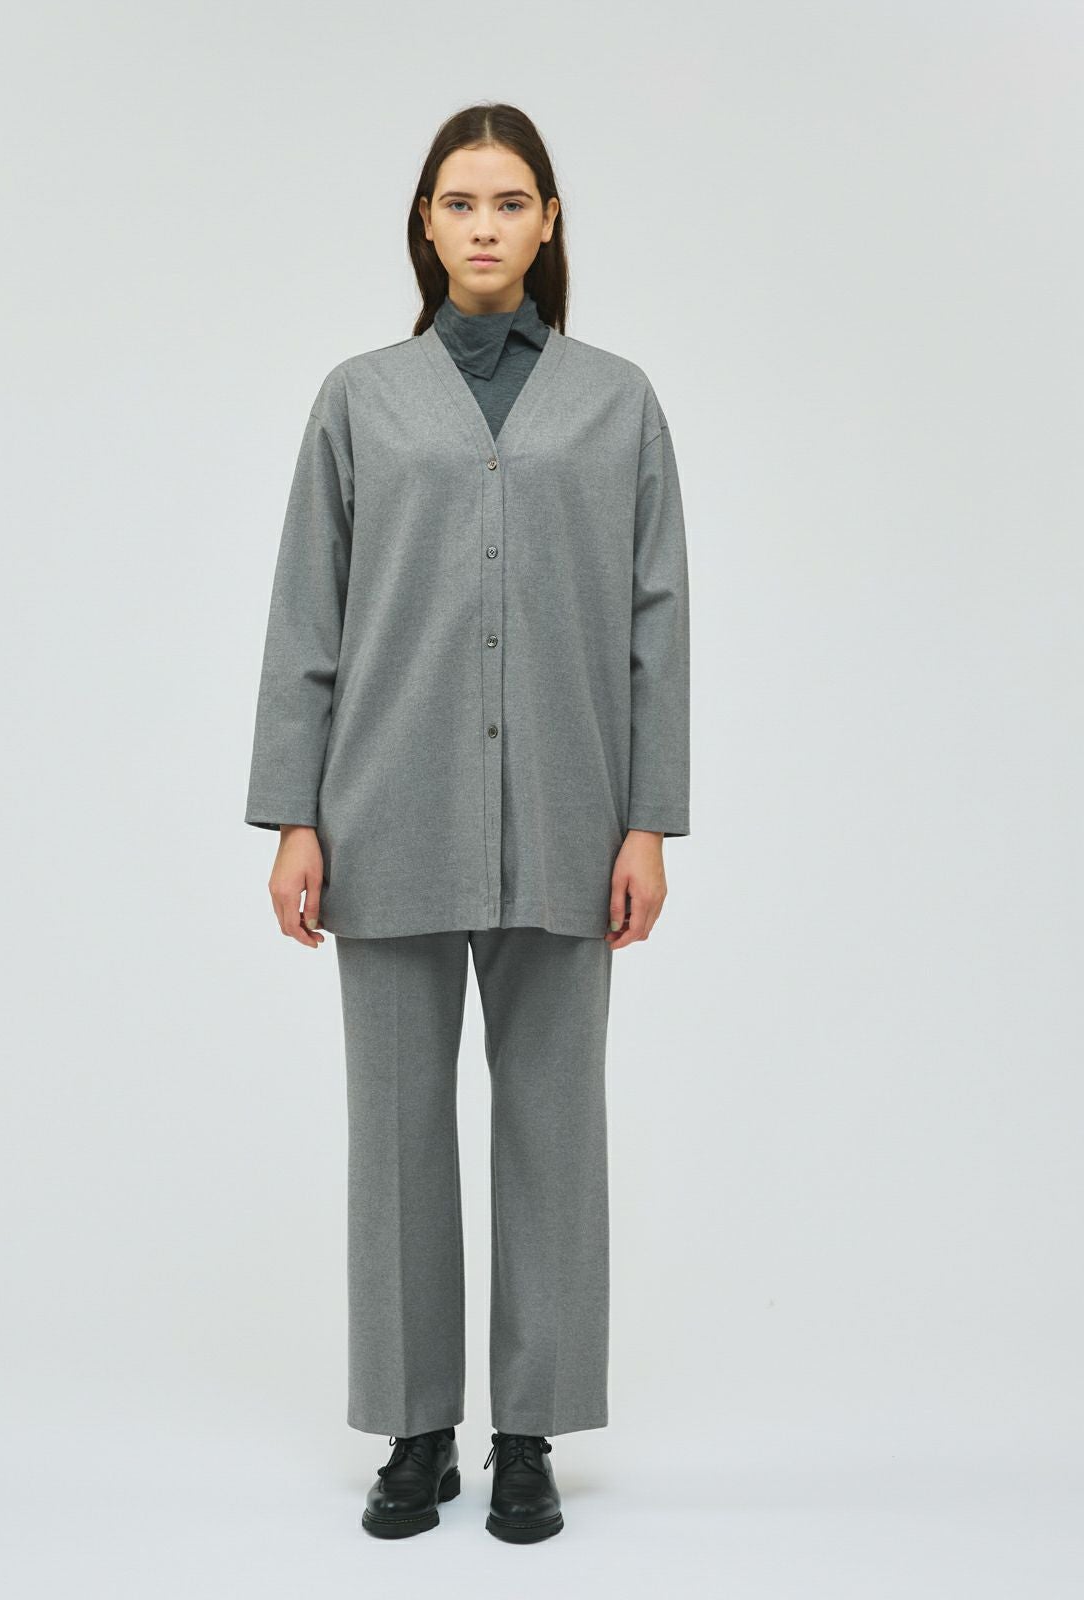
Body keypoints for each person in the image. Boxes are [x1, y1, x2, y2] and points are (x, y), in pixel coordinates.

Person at [244, 102, 689, 1544]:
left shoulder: (618, 402)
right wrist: (294, 815)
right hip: (385, 811)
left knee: (556, 1130)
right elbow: (308, 614)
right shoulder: (360, 398)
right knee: (395, 1133)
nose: (485, 225)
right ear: (426, 225)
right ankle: (416, 1428)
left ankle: (529, 1434)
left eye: (509, 201)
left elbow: (658, 622)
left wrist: (650, 821)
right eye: (459, 201)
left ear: (548, 221)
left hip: (571, 816)